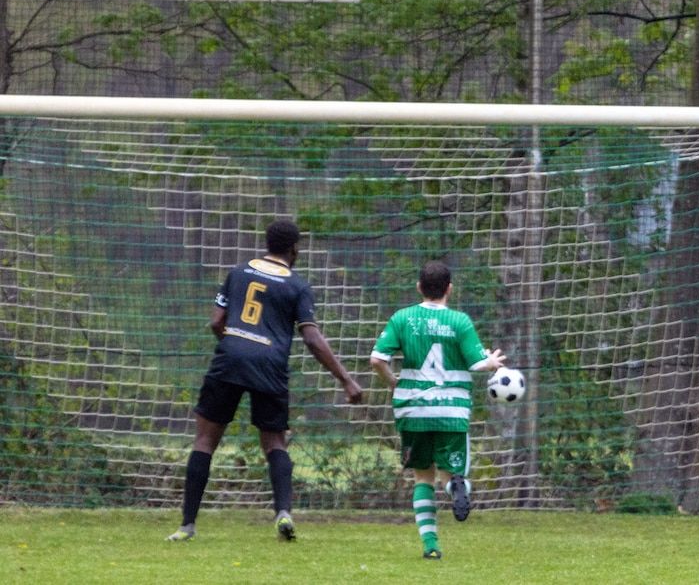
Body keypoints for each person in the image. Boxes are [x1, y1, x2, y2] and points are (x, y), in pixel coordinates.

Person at [165, 219, 364, 542]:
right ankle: (283, 512)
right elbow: (312, 339)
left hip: (230, 357)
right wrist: (346, 380)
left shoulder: (239, 272)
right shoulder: (298, 286)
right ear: (294, 248)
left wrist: (233, 345)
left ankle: (187, 525)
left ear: (267, 243)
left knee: (204, 441)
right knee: (274, 441)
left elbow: (216, 321)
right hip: (270, 364)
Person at [369, 260, 506, 560]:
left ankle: (431, 546)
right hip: (451, 412)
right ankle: (456, 486)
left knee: (422, 478)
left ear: (419, 287)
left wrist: (394, 382)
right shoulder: (460, 322)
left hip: (413, 410)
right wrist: (493, 363)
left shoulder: (403, 318)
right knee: (451, 474)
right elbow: (476, 363)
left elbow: (377, 359)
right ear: (450, 289)